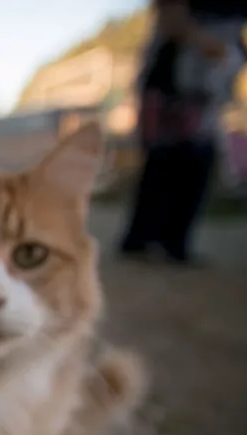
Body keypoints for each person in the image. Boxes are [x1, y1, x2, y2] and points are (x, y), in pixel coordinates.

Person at [119, 0, 246, 265]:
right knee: (163, 160)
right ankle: (142, 240)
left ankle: (171, 242)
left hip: (206, 81)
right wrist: (197, 37)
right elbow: (168, 13)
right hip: (173, 80)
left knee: (195, 160)